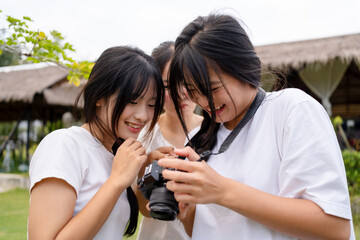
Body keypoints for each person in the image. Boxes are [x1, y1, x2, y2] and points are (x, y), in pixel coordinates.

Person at [156, 13, 355, 239]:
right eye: (193, 92)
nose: (203, 102)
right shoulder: (197, 137)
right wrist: (187, 211)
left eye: (212, 89)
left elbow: (334, 228)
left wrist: (222, 190)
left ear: (242, 65)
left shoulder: (291, 110)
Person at [27, 46, 164, 239]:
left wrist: (146, 174)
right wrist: (116, 182)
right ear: (99, 96)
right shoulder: (64, 145)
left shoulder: (116, 157)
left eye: (151, 105)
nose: (143, 115)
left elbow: (147, 212)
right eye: (132, 101)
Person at [136, 41, 203, 240]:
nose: (180, 92)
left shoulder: (216, 132)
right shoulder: (144, 134)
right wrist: (145, 171)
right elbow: (145, 211)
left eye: (187, 82)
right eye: (168, 85)